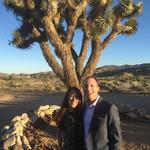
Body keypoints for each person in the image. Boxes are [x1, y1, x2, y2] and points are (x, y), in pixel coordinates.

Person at [83, 76, 122, 150]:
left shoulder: (109, 108)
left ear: (98, 88)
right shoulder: (84, 107)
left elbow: (116, 138)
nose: (88, 88)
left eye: (92, 86)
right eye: (86, 86)